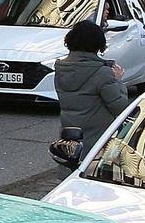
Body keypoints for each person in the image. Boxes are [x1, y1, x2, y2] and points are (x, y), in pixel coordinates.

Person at [49, 21, 130, 167]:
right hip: (96, 143)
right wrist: (118, 81)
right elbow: (120, 107)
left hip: (70, 140)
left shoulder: (61, 69)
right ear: (98, 44)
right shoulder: (102, 73)